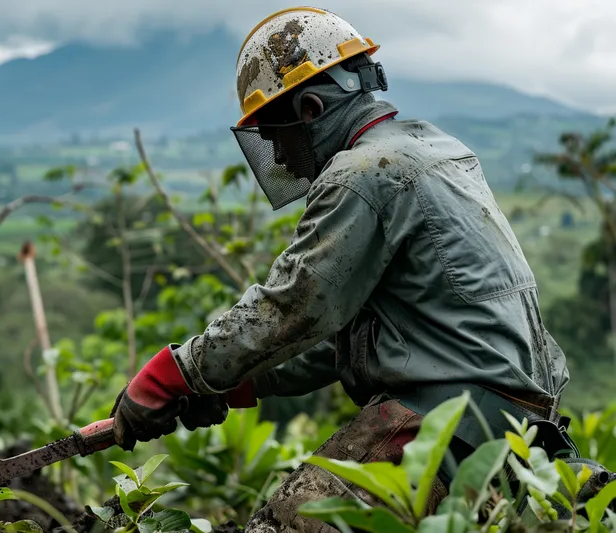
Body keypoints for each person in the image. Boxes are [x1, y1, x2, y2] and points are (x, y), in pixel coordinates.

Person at [109, 6, 571, 532]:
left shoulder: (364, 174)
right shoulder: (434, 149)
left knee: (289, 520)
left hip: (449, 414)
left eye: (274, 134)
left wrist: (173, 372)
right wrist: (232, 385)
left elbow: (292, 308)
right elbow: (356, 338)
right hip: (519, 416)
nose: (279, 158)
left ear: (309, 109)